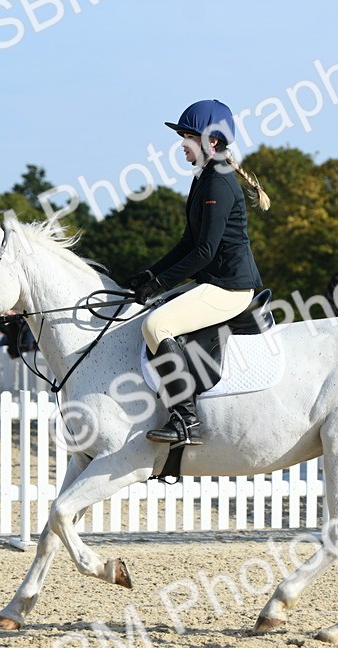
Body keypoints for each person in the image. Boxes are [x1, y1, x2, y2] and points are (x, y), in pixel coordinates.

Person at [124, 99, 270, 447]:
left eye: (187, 137)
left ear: (212, 142)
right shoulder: (204, 178)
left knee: (155, 326)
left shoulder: (218, 182)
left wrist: (160, 283)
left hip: (231, 287)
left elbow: (204, 252)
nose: (182, 145)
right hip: (216, 281)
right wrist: (149, 274)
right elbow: (188, 243)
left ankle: (186, 420)